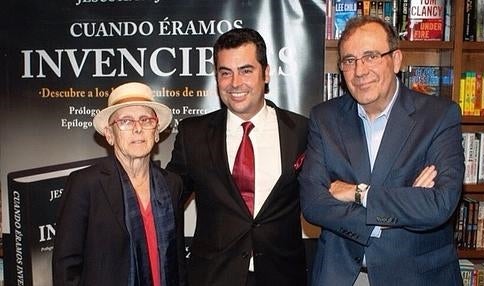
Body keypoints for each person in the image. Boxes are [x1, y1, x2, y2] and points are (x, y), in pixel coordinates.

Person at [299, 16, 465, 286]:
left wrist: (358, 193)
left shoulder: (438, 117)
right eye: (349, 61)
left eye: (371, 56)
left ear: (396, 60)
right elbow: (314, 204)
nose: (359, 71)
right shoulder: (324, 118)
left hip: (415, 277)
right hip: (342, 276)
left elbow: (439, 205)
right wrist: (405, 205)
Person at [166, 28, 308, 286]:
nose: (235, 83)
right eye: (225, 73)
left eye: (246, 70)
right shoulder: (192, 134)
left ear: (266, 74)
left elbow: (322, 193)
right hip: (212, 277)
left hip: (282, 277)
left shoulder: (301, 131)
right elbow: (165, 199)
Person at [52, 82, 186, 286]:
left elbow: (177, 260)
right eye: (125, 121)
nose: (138, 128)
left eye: (146, 120)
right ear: (109, 134)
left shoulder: (172, 184)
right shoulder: (85, 184)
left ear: (157, 132)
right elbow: (66, 268)